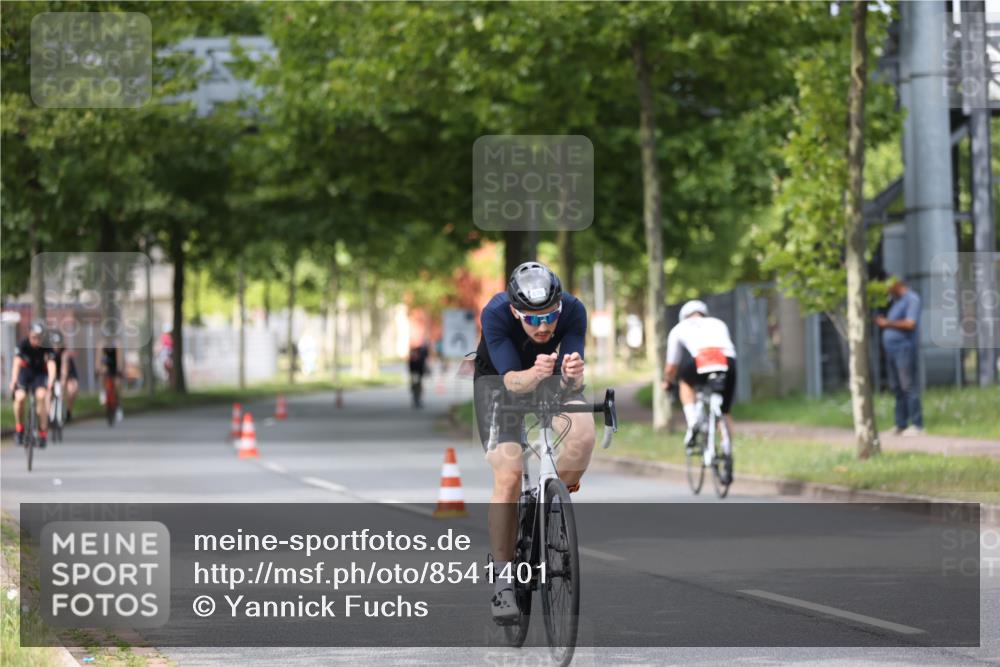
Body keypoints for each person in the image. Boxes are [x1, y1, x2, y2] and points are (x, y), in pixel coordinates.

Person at [472, 261, 591, 621]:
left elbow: (569, 379)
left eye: (550, 317)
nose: (544, 327)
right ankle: (503, 583)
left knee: (583, 435)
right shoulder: (496, 314)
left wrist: (571, 376)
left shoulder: (573, 310)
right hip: (500, 384)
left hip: (548, 379)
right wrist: (536, 373)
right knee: (508, 475)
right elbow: (513, 381)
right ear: (515, 312)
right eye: (533, 319)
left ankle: (550, 501)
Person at [662, 300, 737, 462]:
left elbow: (671, 366)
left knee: (685, 382)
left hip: (702, 360)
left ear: (684, 316)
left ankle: (693, 420)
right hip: (728, 361)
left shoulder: (679, 328)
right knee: (724, 410)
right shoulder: (718, 323)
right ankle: (727, 448)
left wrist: (667, 381)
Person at [875, 277, 923, 436]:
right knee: (896, 388)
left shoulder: (912, 299)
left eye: (888, 286)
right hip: (892, 351)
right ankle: (900, 424)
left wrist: (887, 323)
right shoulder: (896, 302)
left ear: (897, 284)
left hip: (904, 349)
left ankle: (917, 425)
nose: (887, 290)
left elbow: (910, 323)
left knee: (908, 386)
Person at [7, 322, 57, 448]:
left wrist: (51, 382)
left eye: (39, 338)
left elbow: (51, 364)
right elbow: (17, 362)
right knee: (20, 397)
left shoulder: (46, 346)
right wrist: (13, 380)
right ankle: (19, 429)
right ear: (29, 335)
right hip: (25, 374)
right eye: (34, 337)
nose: (37, 341)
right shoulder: (23, 345)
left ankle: (42, 432)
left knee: (41, 396)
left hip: (40, 375)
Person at [51, 331, 80, 423]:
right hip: (53, 373)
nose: (56, 346)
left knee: (72, 389)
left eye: (58, 343)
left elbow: (64, 371)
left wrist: (63, 383)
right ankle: (49, 415)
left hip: (68, 374)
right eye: (54, 343)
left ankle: (68, 411)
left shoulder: (65, 353)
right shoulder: (48, 352)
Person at [99, 343, 123, 422]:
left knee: (117, 384)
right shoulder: (102, 344)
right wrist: (98, 369)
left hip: (115, 367)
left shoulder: (117, 345)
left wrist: (119, 369)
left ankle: (119, 407)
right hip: (107, 367)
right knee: (102, 375)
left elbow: (119, 360)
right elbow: (98, 359)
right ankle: (102, 392)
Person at [407, 341, 430, 408]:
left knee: (418, 387)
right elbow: (413, 364)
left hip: (418, 373)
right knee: (416, 387)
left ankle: (417, 400)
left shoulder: (422, 353)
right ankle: (416, 400)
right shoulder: (418, 352)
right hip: (415, 373)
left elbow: (424, 363)